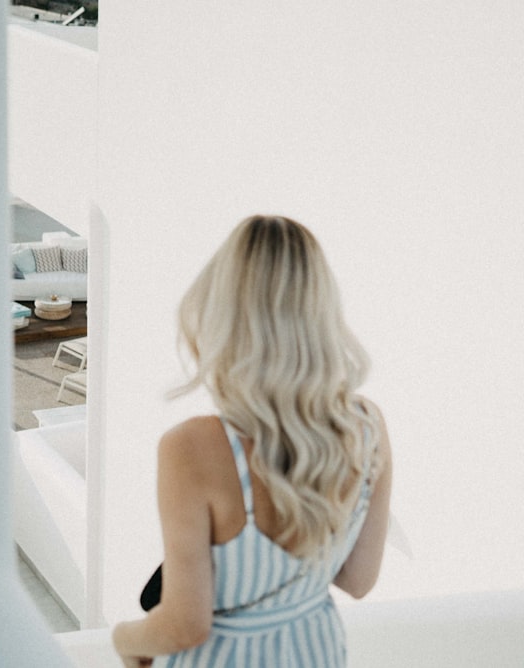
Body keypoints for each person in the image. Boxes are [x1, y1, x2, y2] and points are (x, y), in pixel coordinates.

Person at [112, 215, 393, 667]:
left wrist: (123, 639)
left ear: (224, 313)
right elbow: (359, 580)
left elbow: (185, 624)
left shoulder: (192, 447)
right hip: (314, 651)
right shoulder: (367, 425)